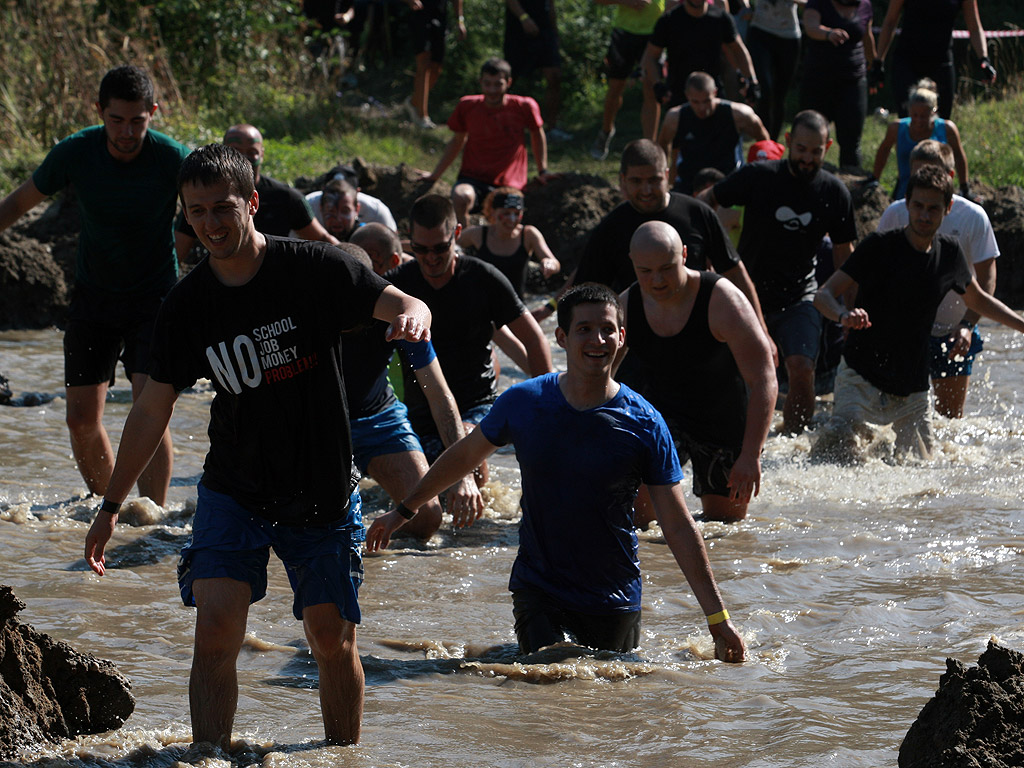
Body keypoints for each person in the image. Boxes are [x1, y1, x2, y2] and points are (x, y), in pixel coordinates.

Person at [83, 143, 433, 747]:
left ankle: (341, 757)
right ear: (185, 217)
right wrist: (112, 507)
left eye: (223, 208)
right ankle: (207, 758)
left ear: (251, 203)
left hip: (320, 485)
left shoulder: (313, 268)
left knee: (330, 638)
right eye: (196, 212)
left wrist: (413, 315)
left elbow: (401, 300)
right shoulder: (187, 305)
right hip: (234, 489)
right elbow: (149, 410)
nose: (212, 224)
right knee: (215, 630)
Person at [365, 283, 747, 662]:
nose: (597, 340)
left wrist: (718, 618)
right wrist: (404, 510)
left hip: (612, 595)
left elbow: (678, 525)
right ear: (562, 337)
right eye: (584, 329)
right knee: (542, 680)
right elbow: (463, 456)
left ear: (622, 336)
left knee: (607, 700)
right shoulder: (525, 402)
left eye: (607, 329)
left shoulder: (644, 423)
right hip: (539, 587)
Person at [0, 65, 188, 507]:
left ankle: (153, 521)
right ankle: (110, 512)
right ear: (99, 111)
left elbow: (214, 207)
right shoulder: (76, 151)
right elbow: (17, 202)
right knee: (81, 420)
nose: (126, 132)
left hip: (154, 297)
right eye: (116, 120)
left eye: (137, 121)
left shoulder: (172, 157)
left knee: (150, 409)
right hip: (93, 297)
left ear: (153, 113)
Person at [812, 165, 1024, 462]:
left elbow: (979, 300)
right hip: (860, 375)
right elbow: (822, 295)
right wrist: (842, 316)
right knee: (835, 457)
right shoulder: (879, 246)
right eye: (918, 206)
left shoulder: (949, 254)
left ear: (947, 208)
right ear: (906, 204)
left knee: (922, 468)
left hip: (911, 387)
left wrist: (1021, 325)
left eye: (933, 209)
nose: (924, 216)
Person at [700, 110, 857, 434]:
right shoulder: (759, 176)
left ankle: (793, 444)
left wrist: (850, 308)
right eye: (801, 149)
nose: (807, 158)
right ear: (787, 143)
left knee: (801, 367)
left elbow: (846, 257)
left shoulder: (834, 193)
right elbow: (706, 202)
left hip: (801, 295)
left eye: (816, 151)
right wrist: (703, 256)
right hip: (746, 292)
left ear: (827, 147)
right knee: (732, 372)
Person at [386, 194, 553, 482]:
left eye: (440, 247)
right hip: (421, 410)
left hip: (478, 401)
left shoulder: (483, 278)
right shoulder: (398, 283)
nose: (431, 258)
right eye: (420, 249)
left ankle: (486, 526)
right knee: (426, 494)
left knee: (468, 459)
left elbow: (534, 337)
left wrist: (552, 409)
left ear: (458, 234)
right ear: (408, 241)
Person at [621, 222, 776, 523]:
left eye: (666, 268)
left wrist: (750, 455)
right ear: (633, 264)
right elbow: (599, 376)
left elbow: (763, 378)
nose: (657, 281)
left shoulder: (721, 300)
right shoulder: (628, 303)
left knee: (725, 527)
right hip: (661, 418)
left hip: (722, 419)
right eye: (645, 271)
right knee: (641, 522)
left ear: (685, 255)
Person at [338, 242, 482, 541]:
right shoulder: (302, 316)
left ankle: (373, 545)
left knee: (427, 516)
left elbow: (438, 395)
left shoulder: (396, 317)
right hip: (322, 425)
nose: (345, 309)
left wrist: (462, 475)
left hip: (379, 420)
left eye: (356, 296)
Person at [573, 140, 770, 358]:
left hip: (701, 334)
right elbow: (587, 293)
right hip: (638, 344)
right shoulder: (611, 228)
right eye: (636, 181)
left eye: (654, 180)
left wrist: (761, 331)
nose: (646, 190)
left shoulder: (697, 214)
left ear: (667, 175)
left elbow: (734, 273)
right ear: (623, 181)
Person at [876, 140, 998, 419]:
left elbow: (986, 279)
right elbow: (875, 275)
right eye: (917, 177)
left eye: (932, 176)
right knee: (894, 420)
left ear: (950, 179)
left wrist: (968, 324)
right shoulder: (895, 213)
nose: (924, 183)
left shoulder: (973, 217)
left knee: (949, 421)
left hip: (954, 329)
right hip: (902, 330)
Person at [176, 124, 338, 259]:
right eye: (236, 150)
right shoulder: (201, 198)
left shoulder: (286, 197)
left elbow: (323, 240)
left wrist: (354, 260)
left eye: (223, 207)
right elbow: (177, 252)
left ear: (253, 202)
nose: (244, 157)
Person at [421, 58, 548, 227]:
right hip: (473, 178)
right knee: (460, 197)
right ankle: (462, 245)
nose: (492, 90)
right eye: (487, 84)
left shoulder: (524, 107)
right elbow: (457, 141)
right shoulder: (467, 106)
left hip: (509, 183)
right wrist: (435, 175)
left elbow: (537, 135)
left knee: (506, 213)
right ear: (480, 82)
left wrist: (543, 171)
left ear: (508, 83)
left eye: (498, 84)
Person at [641, 0, 760, 131]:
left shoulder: (720, 17)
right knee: (679, 146)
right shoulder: (669, 20)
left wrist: (751, 81)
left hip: (712, 93)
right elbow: (651, 56)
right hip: (679, 94)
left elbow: (738, 50)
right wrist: (657, 85)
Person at [873, 0, 996, 120]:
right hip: (907, 62)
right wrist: (879, 61)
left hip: (941, 63)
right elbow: (890, 22)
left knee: (941, 124)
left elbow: (974, 26)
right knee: (910, 123)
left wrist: (984, 58)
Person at [656, 70, 769, 194]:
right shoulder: (675, 118)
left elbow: (765, 142)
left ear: (715, 93)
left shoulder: (739, 115)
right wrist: (664, 177)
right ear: (687, 96)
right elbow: (662, 145)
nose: (702, 108)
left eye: (706, 101)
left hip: (729, 181)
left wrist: (758, 172)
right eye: (695, 102)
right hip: (689, 183)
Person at [799, 0, 876, 171]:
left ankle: (851, 187)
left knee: (851, 140)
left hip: (853, 80)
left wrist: (876, 64)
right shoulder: (819, 3)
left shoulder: (864, 5)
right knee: (810, 136)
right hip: (819, 80)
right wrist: (828, 33)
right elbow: (811, 26)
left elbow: (867, 36)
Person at [589, 0, 670, 159]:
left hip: (654, 33)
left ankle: (650, 149)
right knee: (616, 88)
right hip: (624, 33)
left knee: (652, 89)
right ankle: (606, 131)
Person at [871, 79, 969, 200]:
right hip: (906, 193)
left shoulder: (947, 129)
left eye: (924, 116)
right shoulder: (896, 129)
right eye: (915, 115)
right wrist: (875, 178)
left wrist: (964, 187)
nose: (918, 121)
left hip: (939, 191)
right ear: (909, 111)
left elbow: (959, 156)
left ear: (933, 112)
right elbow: (883, 151)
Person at [457, 187, 560, 299]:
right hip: (482, 304)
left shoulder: (528, 234)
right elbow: (449, 244)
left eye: (517, 214)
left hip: (516, 306)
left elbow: (554, 262)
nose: (512, 219)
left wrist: (549, 264)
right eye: (506, 213)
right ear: (493, 212)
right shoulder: (478, 234)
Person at [503, 0, 571, 141]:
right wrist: (524, 18)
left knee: (555, 77)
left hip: (545, 30)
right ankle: (498, 123)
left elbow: (550, 4)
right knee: (508, 78)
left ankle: (552, 127)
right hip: (518, 28)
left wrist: (555, 32)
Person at [401, 0, 467, 129]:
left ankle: (414, 102)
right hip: (419, 15)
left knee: (436, 69)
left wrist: (460, 21)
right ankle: (422, 116)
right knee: (423, 62)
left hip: (439, 16)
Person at [746, 0, 805, 140]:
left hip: (789, 36)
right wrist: (746, 6)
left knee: (779, 95)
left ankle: (773, 142)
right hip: (760, 31)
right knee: (765, 88)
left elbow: (810, 4)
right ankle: (763, 140)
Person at [306, 164, 398, 232]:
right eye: (331, 211)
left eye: (345, 211)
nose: (338, 219)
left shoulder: (376, 212)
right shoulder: (308, 206)